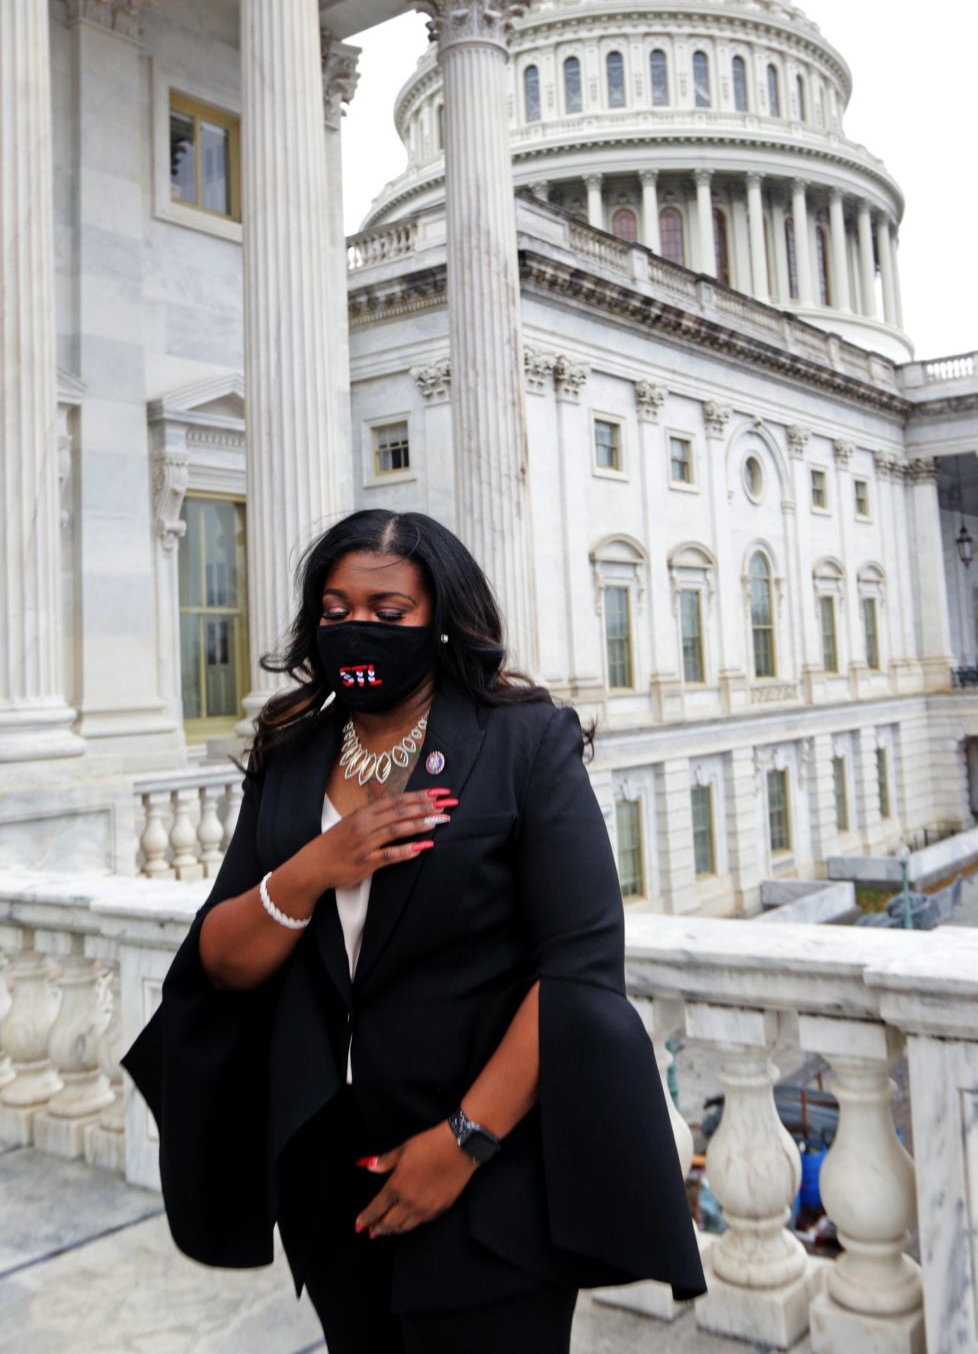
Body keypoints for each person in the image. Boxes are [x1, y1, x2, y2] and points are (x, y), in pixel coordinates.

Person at [123, 508, 705, 1352]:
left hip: (491, 1173)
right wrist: (314, 867)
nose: (357, 629)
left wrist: (463, 1142)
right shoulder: (290, 751)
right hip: (333, 1180)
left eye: (387, 613)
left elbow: (576, 969)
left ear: (440, 621)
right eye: (335, 610)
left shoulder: (522, 742)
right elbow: (219, 958)